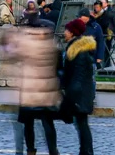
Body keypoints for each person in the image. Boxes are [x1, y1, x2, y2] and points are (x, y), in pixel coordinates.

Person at [10, 25, 62, 155]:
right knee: (46, 123)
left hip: (30, 91)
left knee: (30, 124)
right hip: (44, 90)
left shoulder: (26, 46)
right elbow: (59, 68)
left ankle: (31, 150)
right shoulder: (52, 47)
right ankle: (52, 150)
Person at [62, 18, 96, 155]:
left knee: (82, 125)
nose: (64, 33)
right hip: (81, 92)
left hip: (79, 93)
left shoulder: (78, 51)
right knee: (81, 124)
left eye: (67, 30)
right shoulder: (77, 49)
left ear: (72, 32)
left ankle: (86, 152)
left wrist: (71, 96)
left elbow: (77, 76)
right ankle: (85, 151)